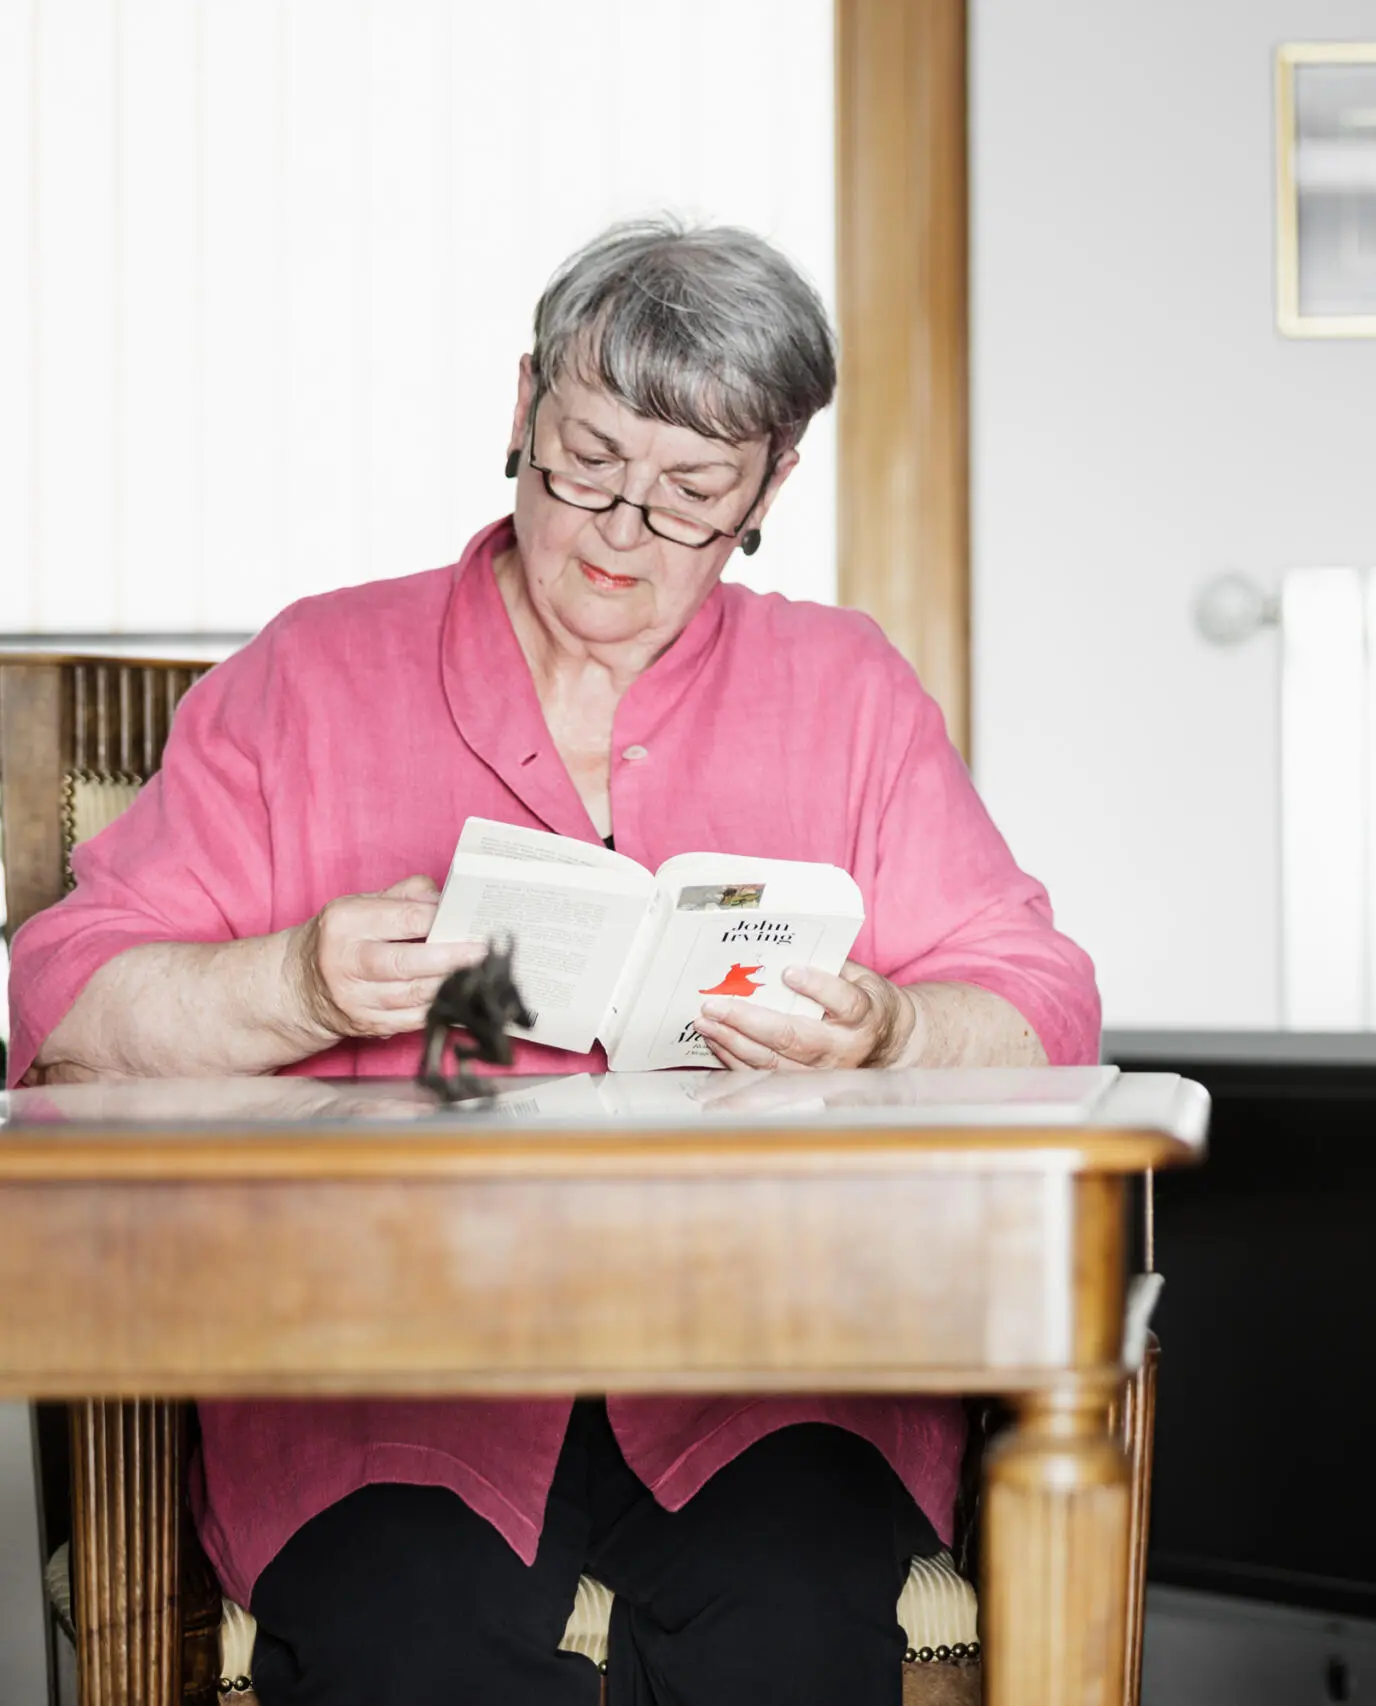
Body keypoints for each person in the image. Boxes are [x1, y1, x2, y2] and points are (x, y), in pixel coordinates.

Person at [5, 218, 1100, 1706]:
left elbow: (1039, 1001)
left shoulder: (844, 689)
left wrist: (895, 1027)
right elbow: (67, 1002)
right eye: (588, 462)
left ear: (772, 485)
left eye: (692, 494)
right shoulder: (313, 672)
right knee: (414, 1636)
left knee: (788, 1621)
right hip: (382, 1357)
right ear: (523, 405)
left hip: (765, 1350)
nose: (620, 533)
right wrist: (293, 986)